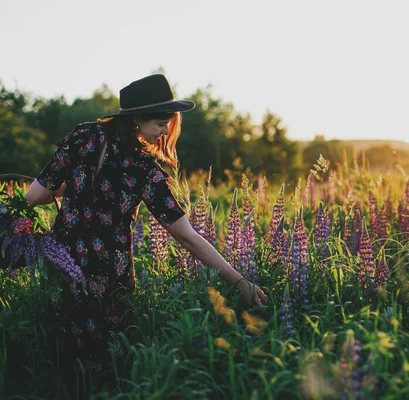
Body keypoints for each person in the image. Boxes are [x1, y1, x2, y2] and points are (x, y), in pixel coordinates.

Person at [26, 74, 267, 376]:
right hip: (108, 280)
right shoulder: (142, 170)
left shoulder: (81, 137)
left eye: (169, 119)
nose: (166, 128)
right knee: (108, 371)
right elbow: (187, 237)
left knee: (60, 364)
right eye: (160, 120)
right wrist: (240, 281)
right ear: (137, 119)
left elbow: (34, 195)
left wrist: (76, 185)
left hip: (62, 267)